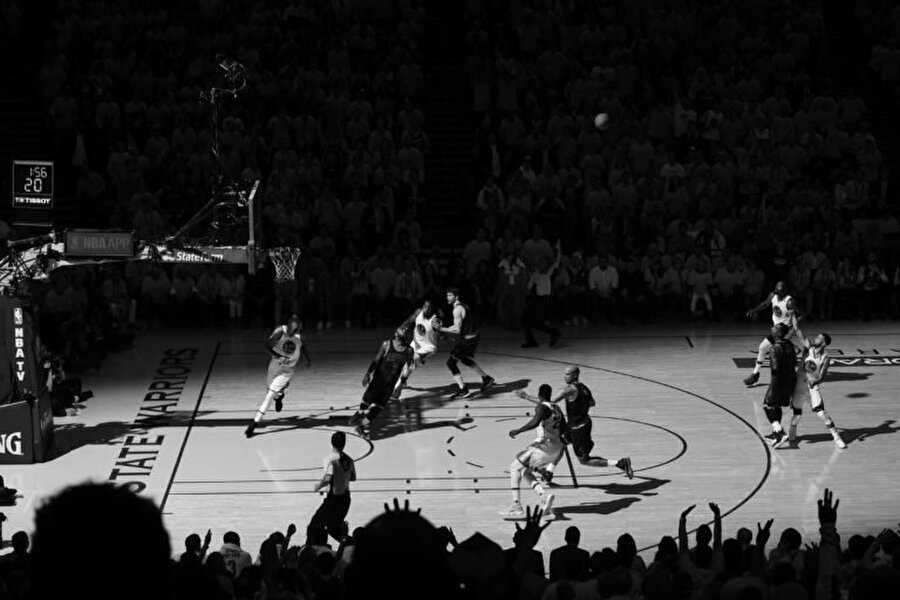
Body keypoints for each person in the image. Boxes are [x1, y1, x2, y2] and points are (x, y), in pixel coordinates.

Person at [516, 365, 633, 480]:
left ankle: (620, 463)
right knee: (560, 444)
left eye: (567, 374)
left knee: (584, 460)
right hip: (575, 426)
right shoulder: (585, 389)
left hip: (579, 430)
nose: (565, 377)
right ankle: (549, 472)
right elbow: (592, 403)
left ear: (575, 375)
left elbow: (548, 402)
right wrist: (578, 404)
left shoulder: (570, 389)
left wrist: (526, 397)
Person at [499, 384, 565, 519]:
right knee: (524, 471)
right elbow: (564, 429)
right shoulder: (557, 408)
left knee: (514, 467)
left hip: (544, 446)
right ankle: (544, 497)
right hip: (557, 448)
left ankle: (516, 505)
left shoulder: (541, 407)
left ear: (539, 395)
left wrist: (517, 431)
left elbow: (534, 422)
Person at [245, 314, 311, 438]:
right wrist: (278, 356)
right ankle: (280, 396)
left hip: (287, 370)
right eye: (293, 327)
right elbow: (266, 346)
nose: (295, 330)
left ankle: (254, 423)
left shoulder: (300, 337)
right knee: (271, 390)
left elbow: (303, 347)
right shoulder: (280, 331)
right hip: (275, 365)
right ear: (289, 324)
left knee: (269, 396)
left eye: (297, 328)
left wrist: (307, 359)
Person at [786, 319, 847, 449]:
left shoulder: (826, 358)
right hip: (799, 386)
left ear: (824, 343)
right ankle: (792, 434)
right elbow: (798, 331)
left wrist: (816, 381)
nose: (816, 338)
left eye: (819, 337)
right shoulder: (809, 347)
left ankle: (837, 437)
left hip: (812, 387)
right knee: (796, 416)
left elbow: (822, 375)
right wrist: (794, 319)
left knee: (821, 414)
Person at [349, 326, 415, 438]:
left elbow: (410, 367)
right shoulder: (387, 344)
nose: (404, 329)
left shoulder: (409, 351)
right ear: (396, 333)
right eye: (402, 328)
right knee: (367, 400)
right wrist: (368, 373)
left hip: (390, 383)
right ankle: (359, 413)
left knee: (379, 407)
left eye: (405, 330)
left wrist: (403, 380)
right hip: (379, 379)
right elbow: (376, 360)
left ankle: (361, 426)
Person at [438, 287, 495, 399]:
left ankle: (463, 390)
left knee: (451, 363)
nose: (447, 297)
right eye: (447, 295)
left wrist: (441, 329)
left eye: (450, 295)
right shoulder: (464, 305)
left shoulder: (457, 310)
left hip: (468, 340)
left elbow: (456, 329)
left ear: (456, 297)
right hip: (472, 337)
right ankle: (486, 379)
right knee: (463, 359)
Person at [743, 280, 801, 386]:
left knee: (782, 357)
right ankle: (755, 374)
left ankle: (795, 376)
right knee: (763, 348)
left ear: (785, 291)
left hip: (785, 331)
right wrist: (754, 309)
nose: (778, 295)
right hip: (776, 330)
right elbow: (765, 304)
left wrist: (793, 327)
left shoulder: (790, 301)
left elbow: (802, 314)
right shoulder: (773, 295)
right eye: (777, 292)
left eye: (780, 292)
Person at [311, 431, 357, 543]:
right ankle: (353, 545)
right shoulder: (349, 459)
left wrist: (318, 486)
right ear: (344, 444)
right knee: (334, 530)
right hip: (345, 499)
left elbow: (327, 478)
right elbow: (353, 477)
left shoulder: (330, 459)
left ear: (331, 443)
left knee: (315, 525)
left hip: (333, 501)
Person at [394, 298, 441, 399]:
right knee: (403, 362)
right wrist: (402, 328)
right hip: (415, 344)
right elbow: (409, 320)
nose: (426, 309)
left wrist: (443, 333)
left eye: (429, 307)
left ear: (432, 309)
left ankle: (398, 389)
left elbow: (441, 332)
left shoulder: (435, 320)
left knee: (409, 363)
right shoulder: (418, 312)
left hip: (428, 348)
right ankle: (410, 372)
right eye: (425, 306)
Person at [521, 240, 562, 348]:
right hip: (537, 300)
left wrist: (558, 249)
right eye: (540, 262)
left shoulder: (549, 273)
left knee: (536, 323)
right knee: (526, 319)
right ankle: (532, 340)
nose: (541, 264)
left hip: (545, 301)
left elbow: (557, 260)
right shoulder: (536, 274)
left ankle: (553, 333)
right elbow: (529, 287)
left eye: (543, 262)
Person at [763, 323, 797, 448]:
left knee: (767, 405)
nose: (771, 328)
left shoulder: (774, 347)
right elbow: (794, 362)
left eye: (774, 328)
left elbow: (775, 368)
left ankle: (779, 431)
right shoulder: (789, 344)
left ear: (777, 333)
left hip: (779, 380)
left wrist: (774, 383)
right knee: (777, 405)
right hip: (791, 378)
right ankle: (775, 433)